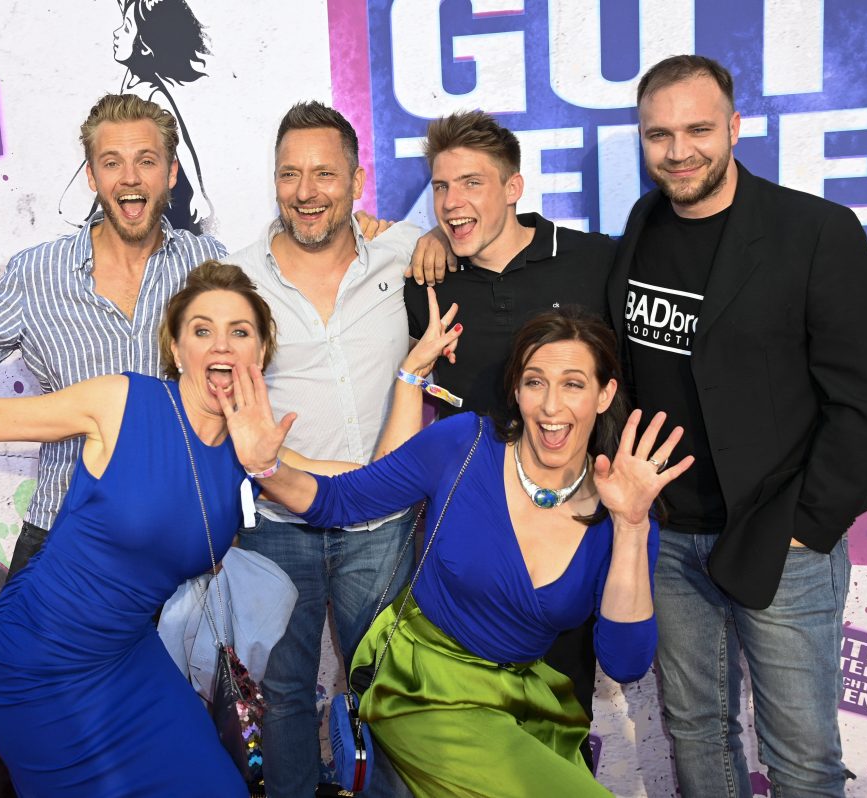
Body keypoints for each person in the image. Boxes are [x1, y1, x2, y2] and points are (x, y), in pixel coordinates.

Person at [0, 260, 459, 796]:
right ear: (176, 346)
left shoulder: (256, 450)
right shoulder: (123, 401)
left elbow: (369, 488)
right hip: (36, 659)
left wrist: (409, 377)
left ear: (260, 352)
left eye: (240, 331)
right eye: (202, 330)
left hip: (126, 660)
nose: (220, 345)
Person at [223, 309, 693, 798]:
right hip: (421, 682)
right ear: (517, 391)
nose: (552, 405)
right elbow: (342, 500)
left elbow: (625, 662)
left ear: (605, 394)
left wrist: (632, 526)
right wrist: (266, 468)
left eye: (573, 384)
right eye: (535, 382)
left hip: (522, 700)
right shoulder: (463, 444)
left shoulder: (625, 507)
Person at [607, 55, 867, 797]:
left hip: (779, 535)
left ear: (735, 128)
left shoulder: (815, 231)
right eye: (659, 135)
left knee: (801, 758)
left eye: (698, 130)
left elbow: (866, 394)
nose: (679, 151)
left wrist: (808, 524)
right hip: (671, 535)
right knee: (697, 732)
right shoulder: (641, 225)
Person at [0, 94, 226, 583]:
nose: (130, 177)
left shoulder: (208, 267)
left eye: (146, 160)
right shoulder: (37, 273)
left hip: (178, 540)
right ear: (92, 177)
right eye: (111, 163)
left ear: (171, 172)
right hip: (64, 534)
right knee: (18, 639)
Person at [228, 100, 448, 797]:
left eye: (324, 173)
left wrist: (433, 237)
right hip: (277, 523)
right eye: (289, 174)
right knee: (284, 697)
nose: (306, 191)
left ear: (358, 180)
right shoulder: (236, 280)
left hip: (381, 527)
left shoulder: (405, 252)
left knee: (387, 693)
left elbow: (465, 242)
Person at [403, 110, 618, 754]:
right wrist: (427, 238)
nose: (452, 202)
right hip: (468, 547)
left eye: (472, 183)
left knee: (559, 726)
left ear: (514, 187)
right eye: (442, 187)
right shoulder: (428, 283)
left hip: (567, 536)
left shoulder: (593, 262)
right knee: (464, 742)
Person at [111, 0, 214, 231]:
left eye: (126, 28)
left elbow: (182, 144)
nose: (116, 33)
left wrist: (198, 194)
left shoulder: (152, 94)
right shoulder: (133, 78)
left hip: (166, 201)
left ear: (144, 47)